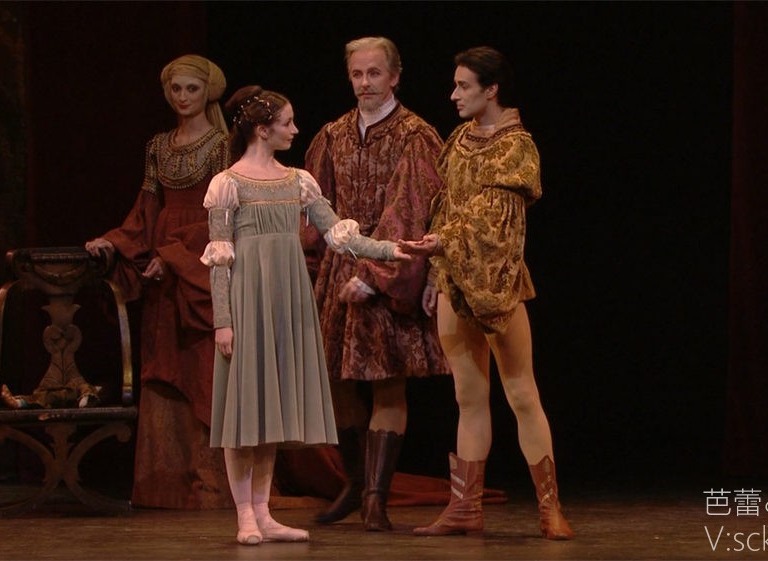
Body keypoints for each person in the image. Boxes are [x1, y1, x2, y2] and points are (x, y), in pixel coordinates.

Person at [200, 85, 408, 545]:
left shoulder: (298, 181)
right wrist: (224, 320)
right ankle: (245, 515)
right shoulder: (228, 184)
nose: (295, 129)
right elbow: (219, 258)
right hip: (248, 302)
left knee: (270, 411)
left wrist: (390, 250)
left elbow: (337, 234)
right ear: (262, 130)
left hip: (287, 302)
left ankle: (263, 513)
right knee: (244, 414)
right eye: (287, 122)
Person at [398, 46, 574, 539]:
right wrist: (434, 266)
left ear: (491, 90)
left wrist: (443, 240)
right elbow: (445, 204)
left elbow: (494, 217)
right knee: (468, 396)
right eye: (455, 85)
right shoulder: (459, 138)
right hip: (454, 279)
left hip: (498, 284)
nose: (453, 95)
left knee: (520, 392)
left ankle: (549, 507)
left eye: (464, 86)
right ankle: (464, 508)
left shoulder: (516, 147)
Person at [301, 36, 450, 531]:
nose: (365, 83)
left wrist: (373, 276)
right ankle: (354, 483)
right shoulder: (332, 135)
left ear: (395, 76)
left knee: (388, 381)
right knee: (338, 380)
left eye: (374, 73)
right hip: (338, 270)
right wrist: (307, 269)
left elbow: (410, 208)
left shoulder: (415, 135)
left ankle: (375, 498)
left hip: (391, 270)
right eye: (357, 74)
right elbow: (313, 209)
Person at [84, 54, 230, 509]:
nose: (183, 97)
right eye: (175, 89)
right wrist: (114, 241)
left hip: (199, 257)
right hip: (162, 265)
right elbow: (146, 210)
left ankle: (212, 485)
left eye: (191, 88)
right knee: (164, 362)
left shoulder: (222, 145)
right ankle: (164, 484)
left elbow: (223, 215)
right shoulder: (158, 146)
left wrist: (176, 256)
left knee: (201, 365)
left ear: (207, 91)